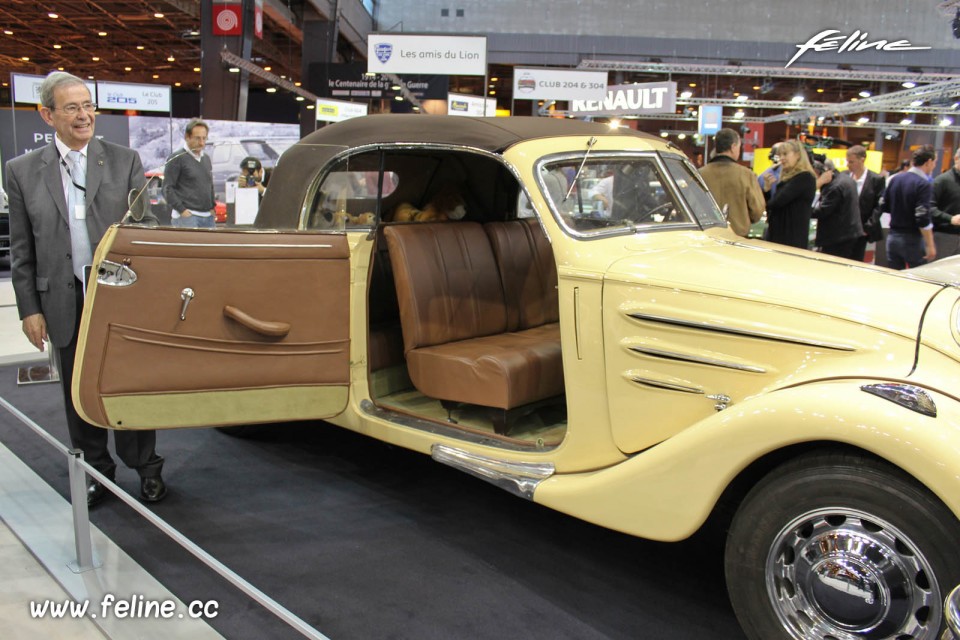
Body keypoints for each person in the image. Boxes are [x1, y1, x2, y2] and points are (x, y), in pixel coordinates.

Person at [6, 71, 166, 506]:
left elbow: (145, 226)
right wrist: (28, 309)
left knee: (127, 383)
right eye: (72, 107)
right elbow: (23, 248)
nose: (84, 116)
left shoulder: (123, 159)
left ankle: (147, 467)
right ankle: (96, 471)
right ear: (47, 114)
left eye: (88, 106)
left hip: (118, 296)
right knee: (78, 390)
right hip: (61, 297)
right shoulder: (20, 171)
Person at [699, 128, 765, 237]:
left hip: (707, 237)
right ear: (733, 147)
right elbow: (757, 211)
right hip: (737, 238)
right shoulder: (746, 174)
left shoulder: (699, 174)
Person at [883, 145, 937, 270]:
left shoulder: (895, 179)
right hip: (913, 240)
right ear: (928, 162)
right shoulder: (923, 184)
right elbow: (922, 217)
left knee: (895, 278)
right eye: (934, 162)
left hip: (892, 238)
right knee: (918, 279)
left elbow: (884, 206)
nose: (934, 166)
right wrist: (930, 244)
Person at [761, 140, 817, 249]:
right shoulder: (788, 179)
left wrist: (768, 195)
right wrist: (767, 190)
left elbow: (776, 203)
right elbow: (771, 207)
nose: (782, 158)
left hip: (791, 238)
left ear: (798, 155)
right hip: (780, 235)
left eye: (785, 154)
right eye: (780, 155)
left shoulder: (804, 178)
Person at [163, 118, 216, 228]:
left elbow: (209, 184)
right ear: (187, 137)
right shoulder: (177, 158)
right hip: (187, 217)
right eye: (197, 138)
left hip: (208, 217)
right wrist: (182, 211)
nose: (201, 143)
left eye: (204, 138)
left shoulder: (206, 159)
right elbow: (167, 188)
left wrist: (212, 208)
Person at [811, 160, 862, 258]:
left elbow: (823, 211)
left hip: (838, 237)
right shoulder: (845, 178)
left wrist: (804, 210)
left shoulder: (834, 187)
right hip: (849, 232)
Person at [844, 145, 886, 262]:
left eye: (851, 162)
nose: (848, 165)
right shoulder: (844, 176)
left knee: (856, 259)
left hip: (862, 229)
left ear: (861, 160)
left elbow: (879, 206)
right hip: (843, 229)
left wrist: (868, 227)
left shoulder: (876, 180)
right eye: (847, 161)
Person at [931, 146, 960, 258]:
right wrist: (950, 218)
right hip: (944, 236)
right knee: (937, 273)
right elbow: (929, 208)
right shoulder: (942, 180)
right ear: (956, 158)